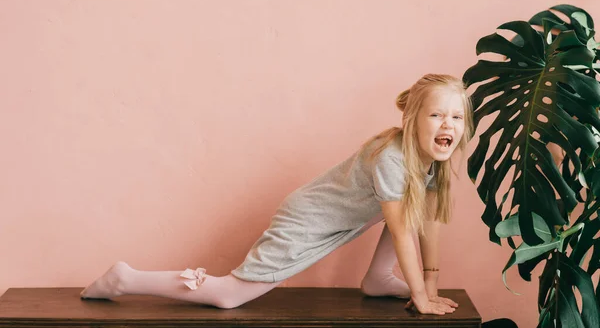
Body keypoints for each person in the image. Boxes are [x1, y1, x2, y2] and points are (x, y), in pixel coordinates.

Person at [80, 73, 473, 316]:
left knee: (411, 205)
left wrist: (430, 287)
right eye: (437, 114)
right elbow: (403, 232)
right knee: (229, 295)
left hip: (346, 218)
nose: (448, 124)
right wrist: (420, 296)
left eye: (456, 117)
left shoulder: (429, 163)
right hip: (307, 220)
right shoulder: (391, 158)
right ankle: (126, 279)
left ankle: (377, 278)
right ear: (411, 120)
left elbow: (425, 224)